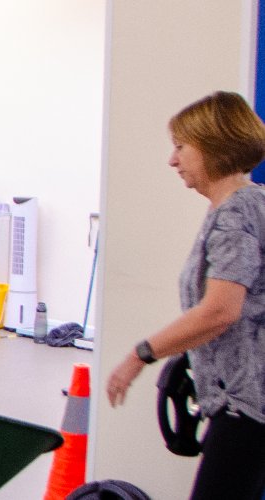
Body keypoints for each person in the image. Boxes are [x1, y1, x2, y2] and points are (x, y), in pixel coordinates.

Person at [105, 91, 265, 499]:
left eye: (181, 146)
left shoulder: (235, 214)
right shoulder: (251, 204)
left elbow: (219, 311)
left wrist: (139, 355)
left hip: (246, 408)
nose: (172, 160)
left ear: (214, 146)